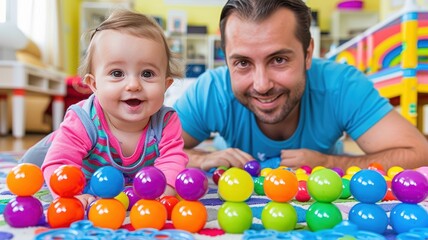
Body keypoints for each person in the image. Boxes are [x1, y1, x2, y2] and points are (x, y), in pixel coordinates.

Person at [173, 0, 428, 172]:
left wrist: (329, 162)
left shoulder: (341, 86)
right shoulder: (212, 90)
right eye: (242, 63)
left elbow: (418, 153)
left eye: (279, 60)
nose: (261, 85)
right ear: (226, 59)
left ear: (308, 54)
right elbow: (144, 150)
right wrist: (202, 159)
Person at [20, 9, 188, 208]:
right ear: (94, 84)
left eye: (148, 73)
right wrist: (68, 194)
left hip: (118, 179)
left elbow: (172, 160)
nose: (133, 85)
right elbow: (61, 165)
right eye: (117, 73)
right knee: (34, 162)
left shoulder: (166, 121)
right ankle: (54, 141)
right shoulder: (84, 120)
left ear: (166, 85)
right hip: (79, 138)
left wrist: (164, 191)